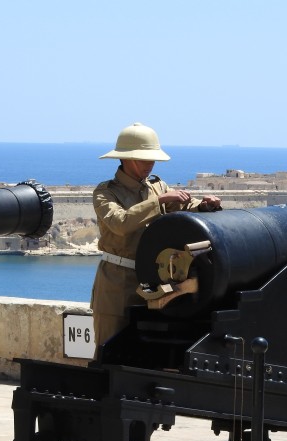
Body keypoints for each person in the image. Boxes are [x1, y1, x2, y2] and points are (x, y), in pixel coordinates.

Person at [91, 122, 221, 347]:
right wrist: (159, 201)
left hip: (153, 280)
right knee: (109, 351)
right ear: (127, 158)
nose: (150, 165)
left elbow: (180, 207)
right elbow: (119, 222)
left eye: (153, 160)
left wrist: (204, 206)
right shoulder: (106, 193)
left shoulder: (156, 186)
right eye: (145, 159)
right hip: (117, 283)